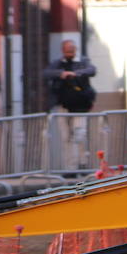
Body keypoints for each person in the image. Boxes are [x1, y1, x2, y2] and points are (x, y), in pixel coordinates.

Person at [44, 39, 99, 171]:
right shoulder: (58, 63)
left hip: (80, 106)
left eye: (72, 50)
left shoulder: (82, 62)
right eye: (67, 50)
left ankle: (82, 162)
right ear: (63, 51)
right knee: (66, 137)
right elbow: (46, 73)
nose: (70, 53)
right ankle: (71, 167)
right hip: (62, 105)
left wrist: (76, 74)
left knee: (79, 135)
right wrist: (61, 74)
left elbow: (92, 70)